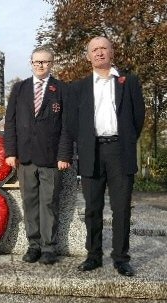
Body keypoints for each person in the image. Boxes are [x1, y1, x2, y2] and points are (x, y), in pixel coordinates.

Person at [67, 36, 145, 277]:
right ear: (88, 56)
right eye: (95, 49)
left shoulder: (128, 82)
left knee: (121, 208)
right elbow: (72, 123)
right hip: (91, 151)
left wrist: (126, 140)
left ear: (112, 52)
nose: (100, 53)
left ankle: (121, 258)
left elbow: (137, 117)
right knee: (92, 207)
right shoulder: (78, 88)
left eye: (104, 48)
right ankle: (94, 255)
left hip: (120, 150)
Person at [4, 46, 72, 265]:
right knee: (30, 203)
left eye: (45, 62)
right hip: (25, 158)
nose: (40, 65)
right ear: (31, 63)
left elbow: (67, 127)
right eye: (36, 62)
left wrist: (64, 155)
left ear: (52, 63)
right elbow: (10, 122)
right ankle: (33, 246)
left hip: (52, 159)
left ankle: (48, 247)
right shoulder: (19, 88)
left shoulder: (61, 89)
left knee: (49, 203)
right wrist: (10, 152)